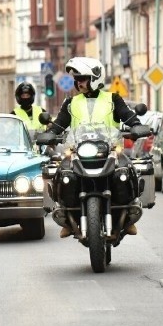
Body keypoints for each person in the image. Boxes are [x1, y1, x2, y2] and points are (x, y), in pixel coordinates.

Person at [44, 56, 146, 238]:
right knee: (64, 174)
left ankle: (128, 215)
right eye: (77, 79)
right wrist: (50, 134)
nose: (78, 83)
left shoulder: (113, 99)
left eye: (82, 78)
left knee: (125, 172)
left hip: (110, 149)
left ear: (95, 78)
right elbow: (59, 124)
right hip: (79, 150)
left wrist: (137, 126)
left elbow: (127, 115)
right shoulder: (70, 103)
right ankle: (67, 216)